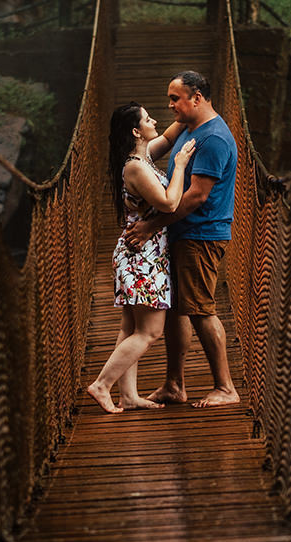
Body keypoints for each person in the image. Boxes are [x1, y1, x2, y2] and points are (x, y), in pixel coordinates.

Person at [124, 70, 240, 408]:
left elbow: (195, 197)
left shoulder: (213, 138)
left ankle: (226, 387)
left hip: (201, 234)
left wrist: (151, 226)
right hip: (184, 232)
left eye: (176, 99)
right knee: (176, 309)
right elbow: (160, 143)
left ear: (198, 98)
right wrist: (174, 119)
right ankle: (174, 384)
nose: (170, 105)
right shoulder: (194, 126)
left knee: (201, 309)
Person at [86, 102, 196, 413]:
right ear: (136, 131)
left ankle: (128, 395)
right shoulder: (135, 166)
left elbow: (171, 136)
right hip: (142, 259)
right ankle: (101, 385)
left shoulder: (142, 156)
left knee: (130, 328)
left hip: (141, 255)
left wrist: (189, 106)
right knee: (150, 332)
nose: (155, 120)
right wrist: (182, 163)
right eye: (148, 119)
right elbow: (169, 203)